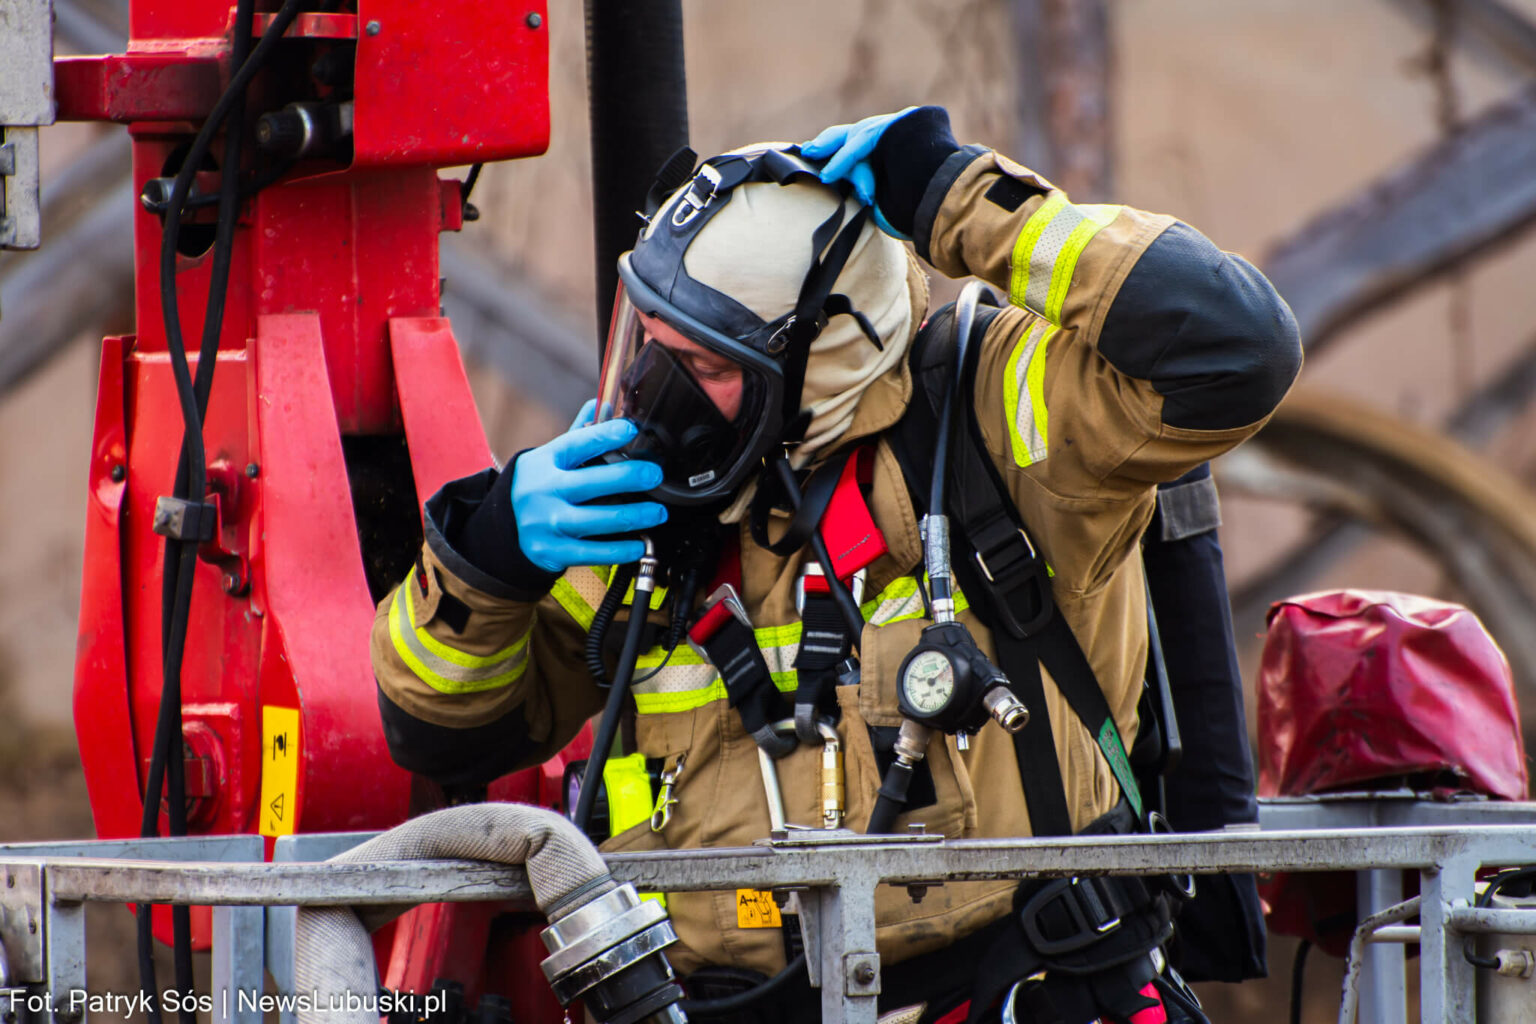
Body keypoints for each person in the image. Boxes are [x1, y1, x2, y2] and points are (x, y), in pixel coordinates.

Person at [371, 106, 1302, 1022]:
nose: (656, 393)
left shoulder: (998, 429)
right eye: (644, 342)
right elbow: (444, 731)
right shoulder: (648, 510)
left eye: (700, 363)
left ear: (818, 365)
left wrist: (956, 196)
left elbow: (1235, 346)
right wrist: (488, 557)